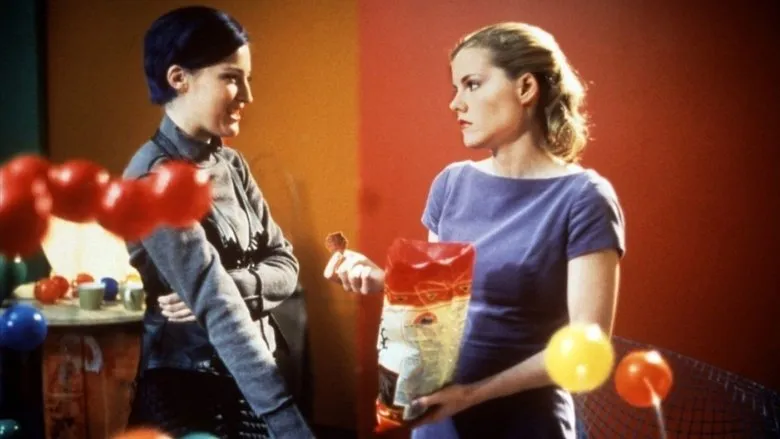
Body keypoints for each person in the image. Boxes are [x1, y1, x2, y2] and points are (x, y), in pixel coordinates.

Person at [324, 22, 625, 438]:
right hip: (438, 419)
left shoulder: (584, 198)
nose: (455, 103)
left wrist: (471, 394)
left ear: (525, 88)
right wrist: (383, 279)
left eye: (472, 84)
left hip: (525, 424)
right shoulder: (451, 183)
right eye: (456, 88)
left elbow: (587, 348)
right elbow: (438, 306)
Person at [122, 6, 313, 438]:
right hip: (190, 393)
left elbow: (286, 265)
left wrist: (232, 284)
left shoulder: (232, 164)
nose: (247, 95)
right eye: (231, 77)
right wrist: (289, 425)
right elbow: (220, 309)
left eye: (248, 79)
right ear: (179, 78)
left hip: (253, 379)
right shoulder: (154, 181)